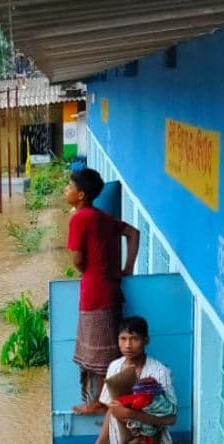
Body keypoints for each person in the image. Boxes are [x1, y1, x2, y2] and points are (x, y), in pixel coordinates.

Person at [63, 167, 140, 414]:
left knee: (99, 355)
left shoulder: (79, 218)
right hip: (111, 289)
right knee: (106, 350)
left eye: (70, 187)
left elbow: (76, 259)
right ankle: (102, 400)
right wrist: (128, 268)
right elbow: (133, 233)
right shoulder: (102, 217)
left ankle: (100, 402)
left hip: (94, 294)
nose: (66, 190)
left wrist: (84, 268)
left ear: (81, 194)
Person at [90, 316, 178, 444]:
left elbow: (171, 418)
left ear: (146, 340)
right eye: (123, 339)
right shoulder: (114, 367)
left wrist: (130, 414)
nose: (128, 345)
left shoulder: (159, 372)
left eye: (134, 339)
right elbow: (111, 410)